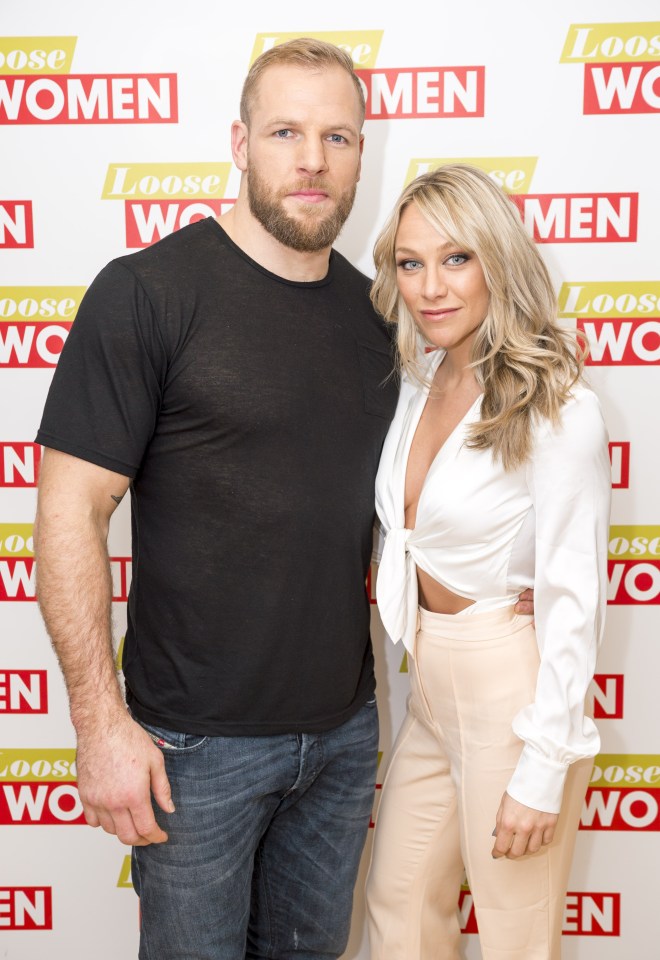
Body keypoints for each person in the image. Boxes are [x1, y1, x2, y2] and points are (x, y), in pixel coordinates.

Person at [34, 39, 399, 960]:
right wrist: (99, 725)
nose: (312, 159)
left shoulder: (377, 320)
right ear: (239, 143)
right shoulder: (147, 293)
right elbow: (71, 511)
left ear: (363, 153)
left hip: (345, 738)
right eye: (285, 131)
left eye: (337, 137)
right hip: (191, 752)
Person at [365, 164, 611, 960]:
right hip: (428, 687)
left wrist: (544, 766)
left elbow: (576, 597)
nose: (431, 286)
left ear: (497, 260)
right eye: (410, 262)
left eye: (456, 258)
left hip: (509, 686)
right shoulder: (419, 378)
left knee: (515, 934)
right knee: (397, 910)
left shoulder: (558, 404)